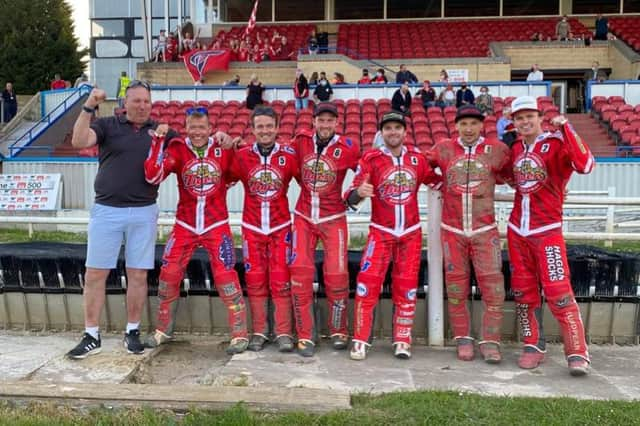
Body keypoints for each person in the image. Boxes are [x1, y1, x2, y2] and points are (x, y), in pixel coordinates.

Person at [66, 82, 177, 359]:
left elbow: (197, 143)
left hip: (144, 211)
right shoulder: (106, 125)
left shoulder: (162, 132)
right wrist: (89, 105)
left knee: (138, 274)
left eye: (146, 102)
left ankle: (133, 331)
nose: (141, 106)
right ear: (124, 103)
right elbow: (79, 141)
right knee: (95, 274)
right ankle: (91, 334)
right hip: (107, 210)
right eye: (136, 101)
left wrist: (223, 137)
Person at [142, 108, 249, 354]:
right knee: (168, 275)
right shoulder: (178, 148)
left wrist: (236, 146)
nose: (197, 132)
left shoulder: (221, 149)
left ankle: (239, 334)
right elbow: (152, 176)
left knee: (226, 277)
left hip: (216, 224)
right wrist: (158, 141)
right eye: (193, 127)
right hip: (185, 224)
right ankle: (163, 330)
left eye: (202, 127)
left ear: (210, 128)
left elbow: (241, 173)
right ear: (186, 127)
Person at [507, 95, 594, 376]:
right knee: (523, 292)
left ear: (539, 117)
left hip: (547, 231)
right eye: (519, 118)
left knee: (558, 292)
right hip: (517, 231)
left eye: (529, 116)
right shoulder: (515, 148)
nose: (524, 121)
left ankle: (578, 351)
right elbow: (508, 177)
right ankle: (533, 344)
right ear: (514, 122)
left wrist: (567, 128)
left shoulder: (556, 142)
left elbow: (586, 165)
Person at [344, 111, 440, 361]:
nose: (393, 132)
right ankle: (360, 340)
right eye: (388, 128)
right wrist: (359, 193)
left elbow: (437, 181)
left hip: (410, 234)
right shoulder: (372, 159)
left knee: (407, 287)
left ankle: (402, 340)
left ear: (405, 132)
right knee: (366, 285)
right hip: (381, 232)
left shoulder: (418, 159)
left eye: (397, 127)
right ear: (382, 133)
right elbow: (350, 195)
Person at [425, 105, 511, 363]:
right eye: (464, 124)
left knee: (494, 289)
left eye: (474, 124)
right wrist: (438, 183)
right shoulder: (443, 148)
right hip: (452, 231)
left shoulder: (497, 150)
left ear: (481, 125)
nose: (469, 129)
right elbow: (418, 166)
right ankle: (463, 339)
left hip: (485, 230)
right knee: (455, 289)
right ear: (456, 126)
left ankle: (490, 341)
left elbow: (515, 176)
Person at [288, 102, 361, 357]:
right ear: (314, 121)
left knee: (337, 274)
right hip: (304, 216)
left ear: (336, 123)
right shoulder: (301, 141)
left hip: (334, 217)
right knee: (300, 273)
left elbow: (365, 171)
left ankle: (339, 329)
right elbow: (285, 162)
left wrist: (353, 195)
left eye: (330, 121)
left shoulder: (348, 146)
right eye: (321, 120)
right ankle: (305, 334)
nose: (326, 125)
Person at [228, 106, 298, 352]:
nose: (265, 131)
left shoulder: (289, 154)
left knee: (281, 281)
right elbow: (224, 179)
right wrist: (226, 146)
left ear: (277, 128)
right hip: (252, 228)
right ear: (253, 129)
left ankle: (283, 333)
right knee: (256, 281)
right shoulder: (242, 155)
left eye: (270, 126)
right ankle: (259, 332)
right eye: (260, 126)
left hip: (280, 227)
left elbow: (310, 183)